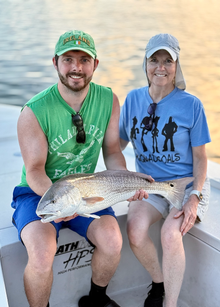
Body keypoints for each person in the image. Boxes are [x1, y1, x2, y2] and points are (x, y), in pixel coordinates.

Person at [11, 30, 149, 307]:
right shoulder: (34, 111)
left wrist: (127, 182)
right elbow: (35, 169)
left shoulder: (108, 99)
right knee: (41, 254)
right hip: (40, 193)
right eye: (68, 59)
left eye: (84, 59)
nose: (76, 67)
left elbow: (112, 151)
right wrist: (61, 202)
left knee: (112, 241)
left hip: (87, 188)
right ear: (55, 62)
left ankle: (96, 298)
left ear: (95, 64)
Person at [119, 33, 211, 307]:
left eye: (167, 61)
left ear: (176, 66)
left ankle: (169, 305)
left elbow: (201, 158)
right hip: (149, 184)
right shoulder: (133, 99)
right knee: (134, 231)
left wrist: (195, 194)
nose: (160, 67)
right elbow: (115, 145)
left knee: (170, 235)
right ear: (145, 64)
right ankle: (158, 283)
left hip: (185, 183)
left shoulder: (191, 104)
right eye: (154, 60)